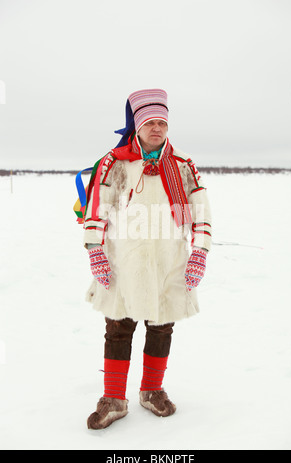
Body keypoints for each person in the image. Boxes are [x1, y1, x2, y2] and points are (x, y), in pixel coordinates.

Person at [82, 89, 212, 429]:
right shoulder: (116, 161)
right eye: (150, 123)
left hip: (169, 261)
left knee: (161, 325)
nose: (157, 129)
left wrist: (199, 251)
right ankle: (113, 398)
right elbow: (98, 206)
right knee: (118, 327)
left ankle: (151, 390)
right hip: (123, 262)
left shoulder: (183, 164)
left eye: (162, 123)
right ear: (137, 126)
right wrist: (95, 250)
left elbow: (199, 210)